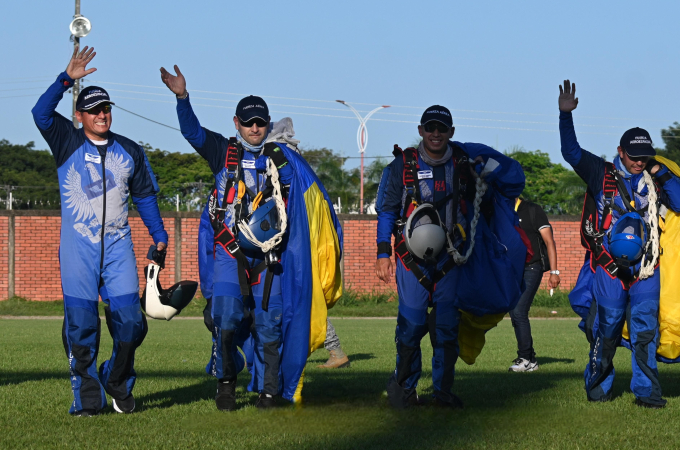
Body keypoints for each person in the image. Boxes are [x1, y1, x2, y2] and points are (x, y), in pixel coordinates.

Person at [160, 65, 343, 411]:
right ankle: (226, 383)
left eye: (260, 122)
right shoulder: (222, 152)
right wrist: (182, 98)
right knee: (226, 317)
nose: (255, 128)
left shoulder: (283, 159)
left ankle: (269, 391)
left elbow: (307, 202)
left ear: (268, 123)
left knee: (269, 325)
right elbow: (192, 132)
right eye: (248, 123)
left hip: (270, 258)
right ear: (236, 123)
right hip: (230, 252)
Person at [32, 47, 168, 416]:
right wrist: (67, 79)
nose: (102, 115)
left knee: (132, 324)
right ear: (80, 116)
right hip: (78, 250)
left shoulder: (130, 150)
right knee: (82, 328)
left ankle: (117, 378)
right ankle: (87, 396)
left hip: (118, 247)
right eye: (94, 110)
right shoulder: (67, 141)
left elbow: (144, 197)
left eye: (105, 108)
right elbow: (40, 113)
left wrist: (160, 236)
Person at [375, 105, 525, 409]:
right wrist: (382, 252)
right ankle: (404, 389)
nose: (435, 134)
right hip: (410, 260)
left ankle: (442, 392)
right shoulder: (401, 166)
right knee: (412, 325)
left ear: (451, 133)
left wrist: (484, 168)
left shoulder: (464, 161)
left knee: (445, 328)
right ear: (420, 130)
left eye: (442, 129)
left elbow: (512, 179)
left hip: (451, 259)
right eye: (430, 128)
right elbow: (387, 212)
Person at [558, 80, 680, 408]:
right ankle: (599, 389)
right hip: (609, 268)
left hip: (647, 269)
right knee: (607, 330)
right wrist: (565, 117)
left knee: (646, 332)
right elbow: (571, 153)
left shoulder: (655, 177)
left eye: (645, 157)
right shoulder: (599, 173)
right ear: (621, 152)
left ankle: (647, 392)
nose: (638, 162)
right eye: (634, 156)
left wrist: (659, 170)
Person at [508, 198, 560, 372]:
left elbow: (549, 241)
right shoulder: (502, 211)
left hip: (532, 267)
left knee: (519, 310)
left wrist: (554, 272)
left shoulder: (532, 209)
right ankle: (530, 359)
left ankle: (525, 358)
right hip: (513, 269)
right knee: (515, 312)